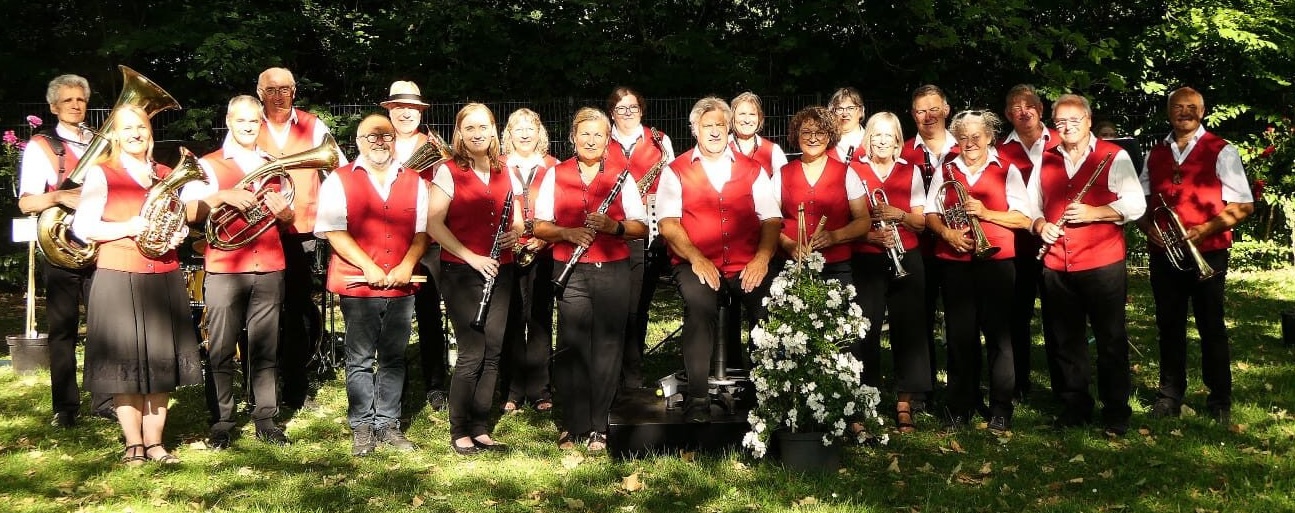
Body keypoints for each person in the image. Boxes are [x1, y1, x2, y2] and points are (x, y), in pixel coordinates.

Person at [71, 104, 203, 465]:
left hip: (162, 277)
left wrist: (178, 233)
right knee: (124, 365)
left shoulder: (165, 174)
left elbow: (178, 219)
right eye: (127, 128)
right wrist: (128, 226)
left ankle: (156, 443)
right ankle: (134, 444)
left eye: (141, 127)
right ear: (114, 134)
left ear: (150, 131)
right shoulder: (102, 174)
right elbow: (83, 227)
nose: (135, 133)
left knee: (160, 364)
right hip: (118, 276)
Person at [656, 97, 781, 424]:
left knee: (766, 303)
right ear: (695, 129)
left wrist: (762, 259)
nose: (714, 132)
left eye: (720, 126)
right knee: (700, 307)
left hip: (745, 263)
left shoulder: (753, 169)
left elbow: (771, 219)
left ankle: (766, 392)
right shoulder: (676, 170)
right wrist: (696, 257)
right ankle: (697, 398)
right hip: (694, 261)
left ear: (729, 129)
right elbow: (668, 223)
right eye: (707, 126)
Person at [1027, 94, 1146, 436]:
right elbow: (1030, 205)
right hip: (1056, 263)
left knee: (1110, 338)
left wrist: (1096, 213)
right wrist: (1039, 225)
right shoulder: (1045, 159)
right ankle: (1075, 405)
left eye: (1074, 121)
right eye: (1060, 122)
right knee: (1066, 340)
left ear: (1089, 121)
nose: (1066, 128)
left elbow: (1135, 205)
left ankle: (1116, 411)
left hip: (1101, 261)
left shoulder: (1114, 156)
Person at [1137, 87, 1254, 425]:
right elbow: (1141, 202)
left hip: (1209, 252)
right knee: (1168, 325)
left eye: (1191, 107)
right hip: (1166, 254)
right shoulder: (1156, 153)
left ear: (1201, 112)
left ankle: (1219, 399)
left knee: (1211, 326)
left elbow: (1243, 205)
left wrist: (1204, 229)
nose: (1184, 112)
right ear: (1169, 112)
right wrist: (1149, 228)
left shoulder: (1222, 150)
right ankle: (1169, 395)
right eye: (1178, 107)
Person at [180, 95, 291, 448]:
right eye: (241, 120)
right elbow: (188, 212)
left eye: (254, 121)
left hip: (269, 265)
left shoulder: (274, 165)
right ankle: (222, 422)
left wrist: (286, 215)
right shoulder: (209, 165)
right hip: (226, 267)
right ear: (228, 120)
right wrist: (221, 196)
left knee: (265, 348)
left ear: (261, 123)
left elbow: (286, 219)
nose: (248, 126)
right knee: (222, 347)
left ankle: (266, 418)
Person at [534, 107, 647, 451]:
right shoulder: (557, 174)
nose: (591, 140)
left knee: (608, 347)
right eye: (585, 133)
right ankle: (574, 423)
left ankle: (599, 425)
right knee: (572, 345)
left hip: (613, 269)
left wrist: (614, 227)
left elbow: (640, 227)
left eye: (598, 134)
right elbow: (539, 225)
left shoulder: (621, 176)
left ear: (607, 139)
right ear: (573, 136)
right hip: (571, 269)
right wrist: (568, 233)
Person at [316, 114, 428, 456]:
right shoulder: (338, 180)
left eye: (386, 136)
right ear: (359, 141)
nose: (379, 143)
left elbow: (422, 232)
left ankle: (388, 424)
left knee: (394, 356)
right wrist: (369, 266)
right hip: (358, 284)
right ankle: (362, 425)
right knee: (360, 357)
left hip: (401, 283)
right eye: (371, 137)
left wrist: (407, 265)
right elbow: (334, 231)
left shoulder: (415, 180)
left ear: (395, 140)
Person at [16, 74, 114, 427]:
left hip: (99, 243)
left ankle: (105, 401)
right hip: (61, 248)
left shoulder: (98, 142)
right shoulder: (41, 146)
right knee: (64, 329)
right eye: (68, 100)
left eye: (81, 100)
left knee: (104, 326)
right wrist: (59, 196)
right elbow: (27, 203)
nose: (76, 106)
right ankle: (65, 406)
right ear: (54, 107)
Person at [925, 110, 1031, 432]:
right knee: (960, 336)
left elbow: (1024, 218)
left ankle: (1001, 407)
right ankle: (960, 405)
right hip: (955, 262)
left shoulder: (1006, 169)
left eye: (976, 136)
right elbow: (931, 211)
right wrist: (947, 234)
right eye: (964, 137)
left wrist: (986, 212)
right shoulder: (947, 170)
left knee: (999, 336)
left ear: (989, 137)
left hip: (996, 262)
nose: (970, 143)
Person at [426, 103, 518, 455]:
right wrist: (472, 257)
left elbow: (519, 218)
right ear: (460, 134)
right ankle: (459, 428)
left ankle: (481, 425)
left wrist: (516, 233)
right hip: (462, 271)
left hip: (502, 267)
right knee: (471, 352)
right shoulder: (448, 171)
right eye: (470, 128)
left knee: (493, 351)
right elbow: (434, 225)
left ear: (494, 130)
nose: (478, 134)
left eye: (484, 127)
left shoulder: (503, 167)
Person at [257, 67, 347, 410]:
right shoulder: (250, 124)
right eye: (271, 90)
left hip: (303, 228)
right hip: (260, 230)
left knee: (297, 308)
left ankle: (296, 382)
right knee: (265, 308)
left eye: (286, 89)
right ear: (260, 93)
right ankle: (265, 381)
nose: (279, 96)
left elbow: (338, 169)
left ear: (295, 91)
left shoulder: (314, 125)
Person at [849, 111, 931, 433]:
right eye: (876, 135)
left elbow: (922, 222)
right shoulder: (853, 170)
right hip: (866, 258)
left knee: (909, 329)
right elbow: (847, 220)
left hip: (905, 255)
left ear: (898, 140)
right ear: (868, 139)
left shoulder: (909, 171)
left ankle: (905, 402)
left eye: (889, 135)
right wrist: (869, 234)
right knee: (864, 330)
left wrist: (898, 214)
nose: (882, 141)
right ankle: (864, 397)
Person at [380, 80, 450, 411]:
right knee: (390, 314)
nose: (406, 113)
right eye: (399, 108)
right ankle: (394, 381)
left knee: (430, 312)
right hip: (388, 240)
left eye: (413, 109)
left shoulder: (435, 146)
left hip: (429, 238)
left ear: (420, 113)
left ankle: (436, 383)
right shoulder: (378, 144)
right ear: (390, 110)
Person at [606, 86, 675, 390]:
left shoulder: (660, 141)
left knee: (639, 305)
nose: (628, 113)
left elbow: (672, 181)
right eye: (621, 108)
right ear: (612, 113)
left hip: (650, 229)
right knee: (614, 304)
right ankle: (614, 368)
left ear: (642, 109)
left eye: (633, 107)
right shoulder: (601, 139)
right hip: (611, 230)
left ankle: (632, 370)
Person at [996, 84, 1060, 400]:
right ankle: (1019, 384)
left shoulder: (1063, 143)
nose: (1024, 112)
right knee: (1016, 316)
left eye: (1029, 105)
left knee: (1060, 317)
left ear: (1041, 109)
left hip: (1061, 245)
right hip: (1018, 244)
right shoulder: (998, 151)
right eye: (1016, 108)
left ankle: (1065, 385)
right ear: (1008, 115)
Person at [900, 84, 961, 399]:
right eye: (921, 111)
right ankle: (923, 389)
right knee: (918, 318)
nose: (928, 116)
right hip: (918, 248)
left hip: (957, 247)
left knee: (959, 318)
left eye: (934, 109)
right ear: (912, 115)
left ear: (947, 110)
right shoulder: (902, 151)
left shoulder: (965, 147)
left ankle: (959, 387)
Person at [499, 108, 560, 413]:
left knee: (539, 319)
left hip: (544, 251)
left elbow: (563, 210)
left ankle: (540, 388)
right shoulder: (497, 166)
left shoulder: (555, 166)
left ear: (540, 133)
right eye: (517, 128)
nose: (524, 133)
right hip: (508, 253)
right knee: (510, 320)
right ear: (508, 134)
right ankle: (512, 388)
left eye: (530, 128)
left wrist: (544, 239)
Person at [729, 92, 788, 175]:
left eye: (752, 114)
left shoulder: (772, 150)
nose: (747, 120)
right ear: (732, 117)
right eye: (742, 114)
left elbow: (784, 182)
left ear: (759, 118)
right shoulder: (723, 146)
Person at [828, 87, 867, 162]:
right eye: (839, 109)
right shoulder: (825, 143)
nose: (845, 113)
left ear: (861, 111)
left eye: (850, 108)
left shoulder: (872, 142)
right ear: (832, 112)